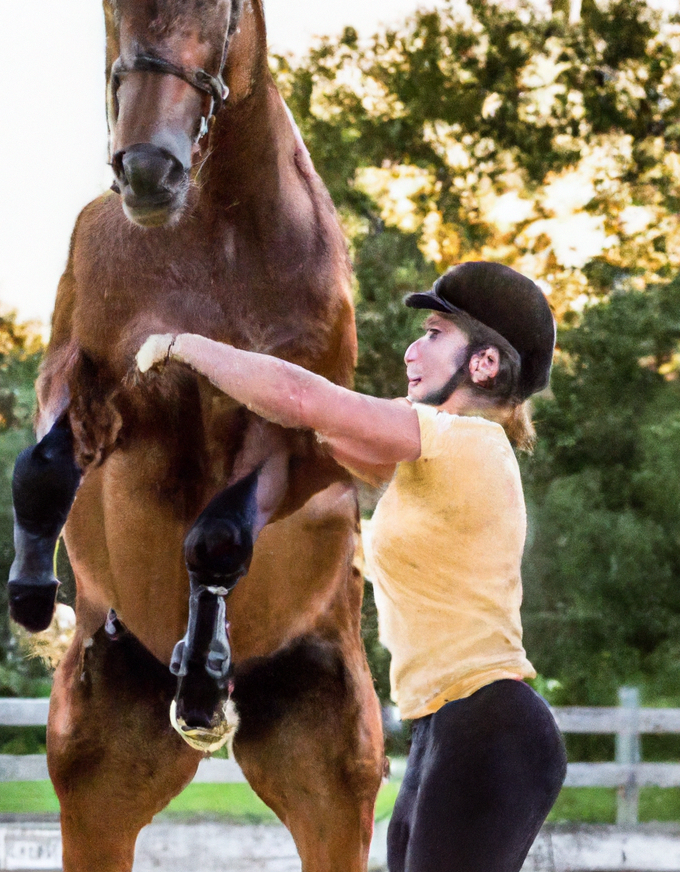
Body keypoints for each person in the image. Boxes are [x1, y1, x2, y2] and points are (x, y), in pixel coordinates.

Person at [136, 260, 568, 872]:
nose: (413, 348)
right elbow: (316, 432)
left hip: (488, 728)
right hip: (442, 730)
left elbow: (304, 400)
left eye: (436, 333)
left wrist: (185, 344)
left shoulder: (465, 442)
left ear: (485, 364)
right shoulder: (433, 462)